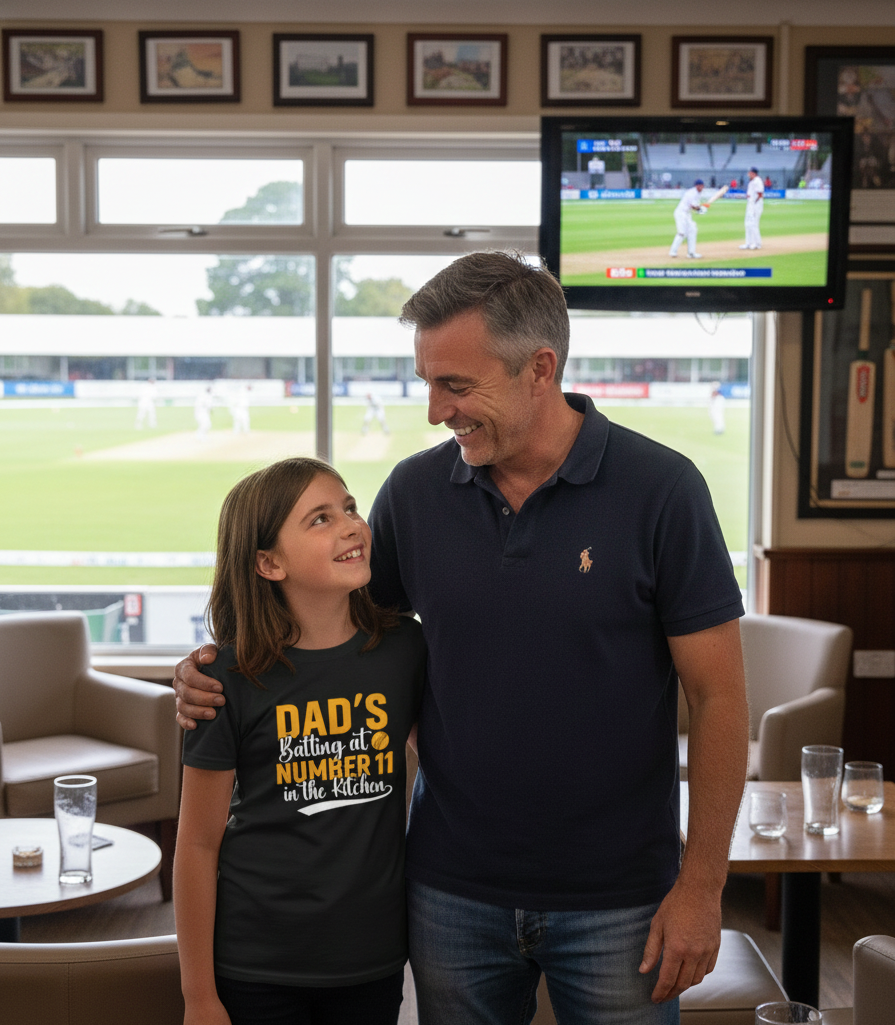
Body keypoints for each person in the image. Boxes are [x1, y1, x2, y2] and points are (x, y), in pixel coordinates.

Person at [175, 251, 749, 1025]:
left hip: (620, 900)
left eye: (456, 384)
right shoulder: (414, 493)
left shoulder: (662, 490)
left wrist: (702, 884)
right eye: (427, 382)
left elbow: (718, 696)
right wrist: (212, 662)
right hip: (448, 895)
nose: (436, 410)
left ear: (538, 368)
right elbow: (325, 628)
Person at [174, 456, 426, 1025]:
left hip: (373, 960)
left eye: (349, 508)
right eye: (319, 519)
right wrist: (199, 997)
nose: (351, 525)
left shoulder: (404, 650)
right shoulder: (224, 679)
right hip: (255, 965)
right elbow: (196, 846)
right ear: (268, 562)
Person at [669, 179, 707, 259]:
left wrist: (701, 208)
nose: (701, 187)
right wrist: (701, 209)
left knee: (693, 230)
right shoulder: (691, 193)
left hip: (687, 214)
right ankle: (673, 251)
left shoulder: (698, 193)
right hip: (681, 213)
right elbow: (694, 206)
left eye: (702, 186)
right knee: (682, 232)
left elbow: (695, 206)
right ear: (696, 186)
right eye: (700, 186)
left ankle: (691, 253)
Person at [740, 167, 765, 251]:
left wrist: (754, 206)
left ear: (753, 173)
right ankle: (748, 243)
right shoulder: (752, 181)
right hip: (750, 204)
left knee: (754, 224)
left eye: (749, 173)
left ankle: (757, 244)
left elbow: (760, 194)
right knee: (747, 223)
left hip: (756, 205)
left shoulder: (758, 181)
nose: (748, 174)